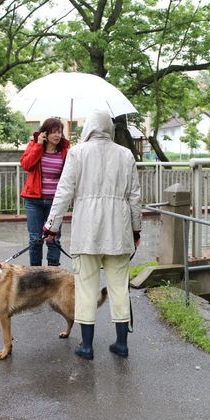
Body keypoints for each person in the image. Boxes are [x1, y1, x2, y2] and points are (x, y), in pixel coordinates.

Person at [43, 109, 142, 360]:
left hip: (86, 232)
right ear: (109, 128)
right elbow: (134, 197)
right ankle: (122, 344)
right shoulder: (126, 154)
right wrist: (136, 229)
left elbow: (63, 193)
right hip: (119, 231)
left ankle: (86, 347)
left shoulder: (77, 153)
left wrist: (50, 227)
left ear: (88, 127)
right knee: (119, 288)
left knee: (86, 288)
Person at [20, 117, 71, 267]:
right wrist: (38, 145)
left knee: (53, 238)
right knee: (35, 238)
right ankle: (35, 274)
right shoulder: (34, 145)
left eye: (60, 132)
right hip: (34, 200)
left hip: (55, 201)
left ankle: (53, 274)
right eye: (54, 132)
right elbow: (26, 165)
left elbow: (70, 175)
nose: (57, 135)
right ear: (45, 133)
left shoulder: (64, 152)